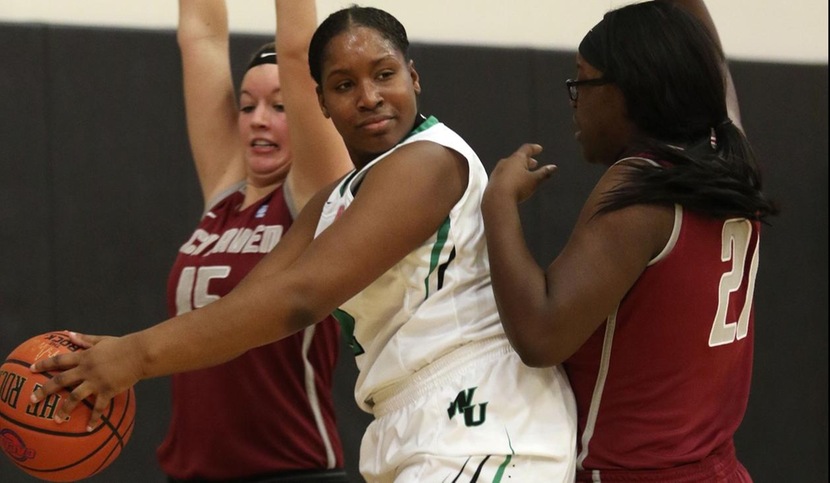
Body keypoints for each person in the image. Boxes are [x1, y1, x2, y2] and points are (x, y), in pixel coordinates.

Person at [31, 3, 577, 482]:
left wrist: (135, 356)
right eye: (344, 85)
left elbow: (301, 299)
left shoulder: (429, 160)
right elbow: (249, 305)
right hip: (405, 418)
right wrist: (118, 351)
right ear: (321, 102)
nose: (368, 97)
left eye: (384, 75)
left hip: (480, 411)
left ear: (413, 76)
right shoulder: (334, 199)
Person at [480, 1, 778, 482]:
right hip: (718, 469)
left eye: (581, 81)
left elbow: (540, 335)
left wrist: (497, 204)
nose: (573, 99)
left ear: (629, 90)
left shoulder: (640, 184)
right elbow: (711, 65)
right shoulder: (732, 160)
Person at [157, 1, 352, 481]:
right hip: (189, 473)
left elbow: (297, 49)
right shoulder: (225, 191)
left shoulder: (315, 193)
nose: (258, 119)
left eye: (281, 107)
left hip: (289, 471)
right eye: (247, 106)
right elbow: (200, 36)